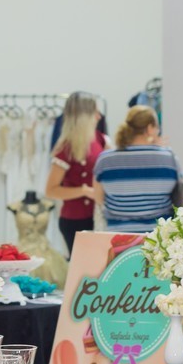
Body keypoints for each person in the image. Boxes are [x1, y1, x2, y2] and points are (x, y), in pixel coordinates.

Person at [93, 106, 183, 233]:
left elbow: (99, 199)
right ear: (150, 128)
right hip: (159, 237)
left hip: (117, 236)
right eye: (157, 127)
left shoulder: (105, 160)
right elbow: (182, 191)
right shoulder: (168, 158)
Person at [44, 92, 109, 255]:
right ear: (84, 116)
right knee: (85, 268)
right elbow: (51, 190)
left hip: (99, 217)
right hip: (75, 221)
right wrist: (84, 191)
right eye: (95, 112)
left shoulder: (100, 139)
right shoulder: (66, 148)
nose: (99, 116)